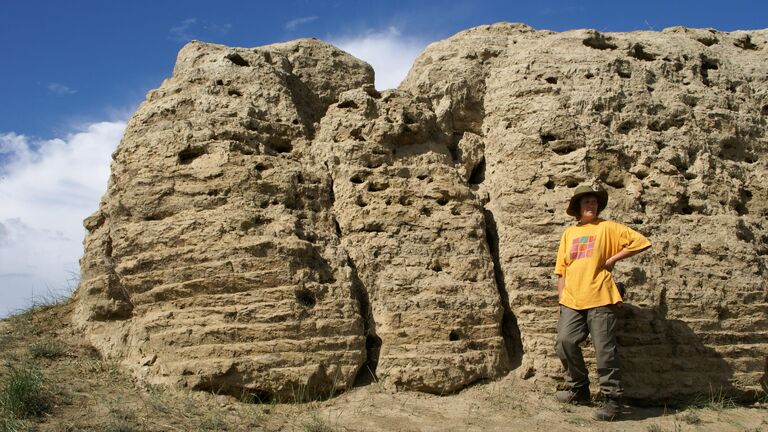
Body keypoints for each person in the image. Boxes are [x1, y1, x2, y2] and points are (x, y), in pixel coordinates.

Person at [553, 184, 651, 421]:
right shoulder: (569, 234)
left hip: (600, 297)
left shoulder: (608, 228)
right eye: (587, 201)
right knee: (564, 342)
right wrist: (561, 296)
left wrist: (612, 259)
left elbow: (641, 242)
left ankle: (612, 401)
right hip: (572, 299)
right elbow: (561, 269)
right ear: (577, 207)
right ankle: (579, 388)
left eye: (594, 202)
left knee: (605, 352)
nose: (591, 205)